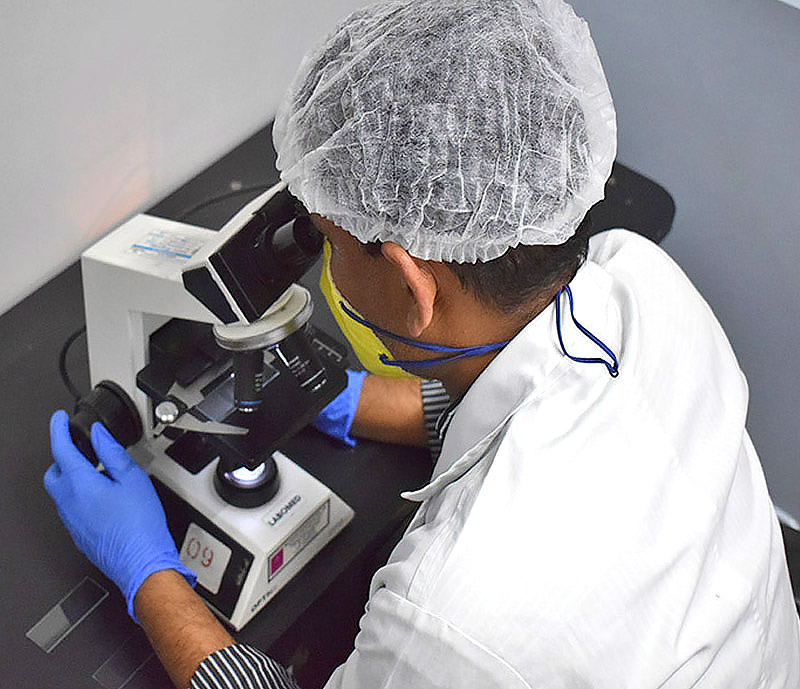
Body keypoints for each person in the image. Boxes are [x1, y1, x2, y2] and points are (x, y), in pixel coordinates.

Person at [44, 0, 800, 687]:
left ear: (414, 288)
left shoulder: (447, 629)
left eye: (331, 240)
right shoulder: (643, 280)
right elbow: (532, 399)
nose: (323, 261)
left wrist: (150, 576)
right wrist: (350, 402)